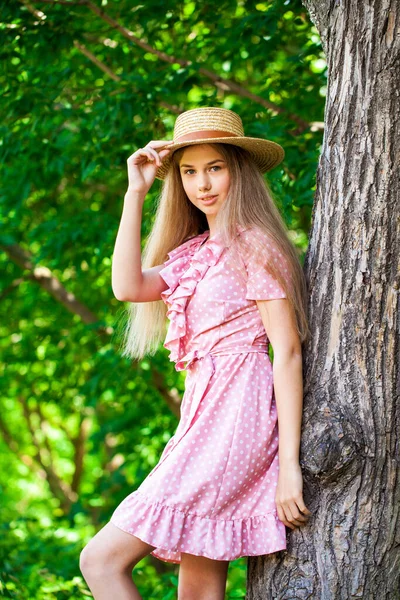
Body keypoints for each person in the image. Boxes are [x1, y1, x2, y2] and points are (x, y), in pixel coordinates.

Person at [80, 107, 312, 600]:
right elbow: (127, 286)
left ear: (238, 172)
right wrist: (135, 192)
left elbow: (287, 351)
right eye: (189, 171)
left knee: (100, 560)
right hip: (202, 420)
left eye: (215, 168)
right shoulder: (197, 252)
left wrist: (289, 466)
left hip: (234, 424)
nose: (202, 184)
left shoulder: (257, 246)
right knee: (200, 591)